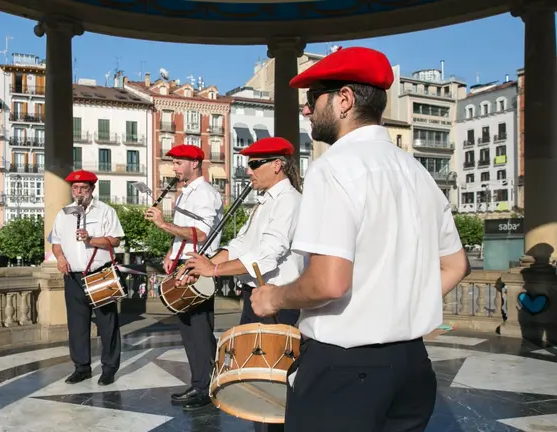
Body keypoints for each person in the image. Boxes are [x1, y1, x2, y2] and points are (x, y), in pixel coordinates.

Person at [249, 46, 469, 431]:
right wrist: (396, 305)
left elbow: (329, 282)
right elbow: (455, 265)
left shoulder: (334, 167)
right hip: (412, 367)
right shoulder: (417, 172)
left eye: (313, 98)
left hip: (344, 371)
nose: (306, 110)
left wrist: (274, 297)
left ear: (345, 99)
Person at [184, 136, 304, 432]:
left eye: (254, 164)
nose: (248, 171)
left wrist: (214, 270)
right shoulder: (265, 202)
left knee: (275, 388)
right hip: (257, 298)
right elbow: (240, 245)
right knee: (256, 388)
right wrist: (205, 265)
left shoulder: (288, 201)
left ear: (277, 165)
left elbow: (267, 255)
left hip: (278, 304)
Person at [144, 144, 223, 409]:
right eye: (174, 163)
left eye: (178, 163)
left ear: (195, 164)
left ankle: (207, 387)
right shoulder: (185, 194)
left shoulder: (206, 194)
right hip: (185, 263)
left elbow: (201, 234)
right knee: (189, 330)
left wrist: (163, 223)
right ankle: (199, 382)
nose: (174, 168)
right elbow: (183, 233)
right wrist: (171, 253)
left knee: (200, 330)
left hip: (199, 265)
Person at [50, 169, 125, 386]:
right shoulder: (63, 214)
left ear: (92, 189)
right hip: (73, 277)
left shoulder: (105, 211)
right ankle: (81, 368)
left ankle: (109, 368)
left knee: (107, 324)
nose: (79, 191)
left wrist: (91, 239)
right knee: (77, 326)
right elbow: (56, 242)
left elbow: (115, 240)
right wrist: (60, 258)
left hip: (100, 275)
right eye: (75, 188)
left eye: (83, 188)